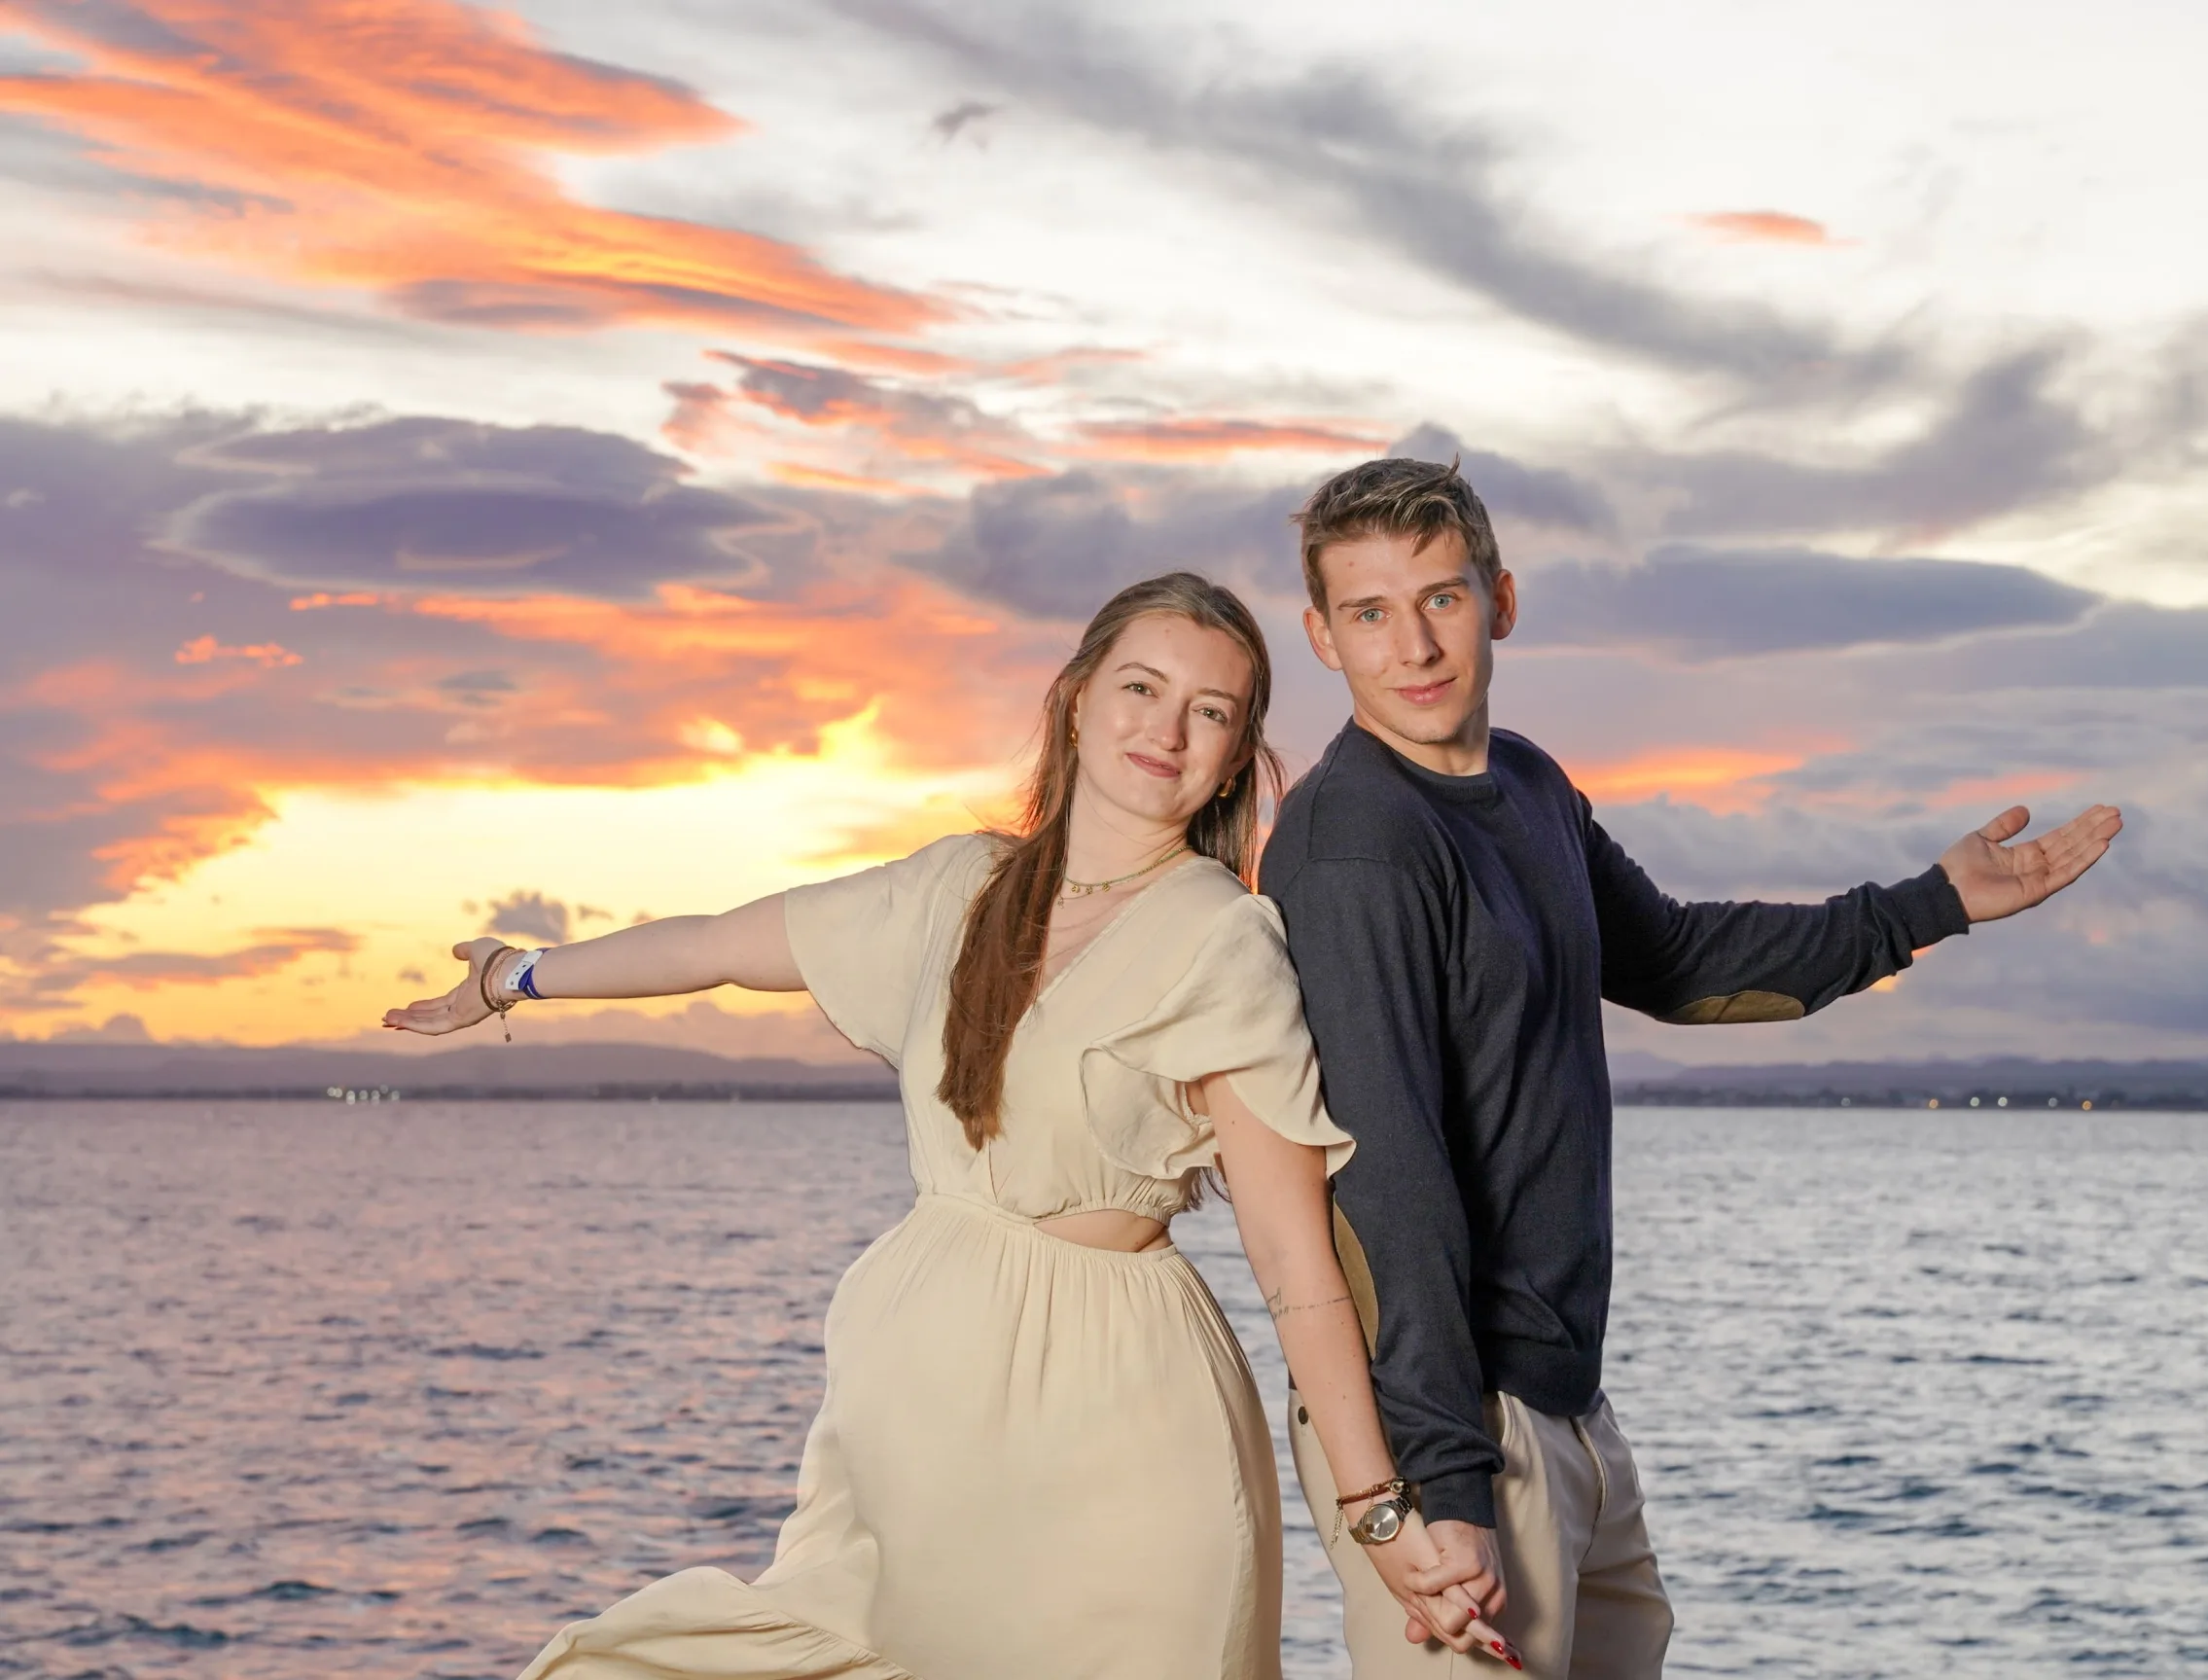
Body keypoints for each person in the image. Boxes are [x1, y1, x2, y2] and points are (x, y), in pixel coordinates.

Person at [382, 572, 1517, 1680]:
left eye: (1209, 710)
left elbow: (1293, 1259)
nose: (1167, 728)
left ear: (1234, 757)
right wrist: (516, 974)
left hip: (1120, 1410)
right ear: (1077, 699)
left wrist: (1376, 1505)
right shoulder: (959, 886)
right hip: (919, 1395)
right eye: (1141, 687)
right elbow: (720, 943)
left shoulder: (1225, 939)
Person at [1262, 458, 2124, 1677]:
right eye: (1369, 612)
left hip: (1563, 1402)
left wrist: (1928, 905)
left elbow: (1672, 958)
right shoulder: (1356, 841)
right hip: (1455, 1427)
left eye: (1441, 598)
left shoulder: (1525, 781)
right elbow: (1383, 1177)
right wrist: (1441, 1480)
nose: (1413, 645)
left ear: (1500, 599)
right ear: (1322, 636)